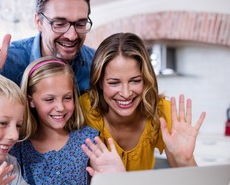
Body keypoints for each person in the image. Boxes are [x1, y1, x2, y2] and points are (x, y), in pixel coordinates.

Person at [80, 32, 206, 173]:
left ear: (146, 79)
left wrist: (185, 160)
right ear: (100, 83)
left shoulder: (162, 111)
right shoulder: (84, 110)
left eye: (135, 81)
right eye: (114, 83)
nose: (126, 93)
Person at [9, 56, 99, 185]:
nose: (60, 107)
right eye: (49, 99)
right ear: (30, 100)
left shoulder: (88, 140)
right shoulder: (16, 147)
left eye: (67, 98)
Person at [0, 0, 94, 93]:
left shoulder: (96, 62)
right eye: (59, 24)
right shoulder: (6, 61)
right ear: (38, 22)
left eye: (80, 24)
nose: (72, 36)